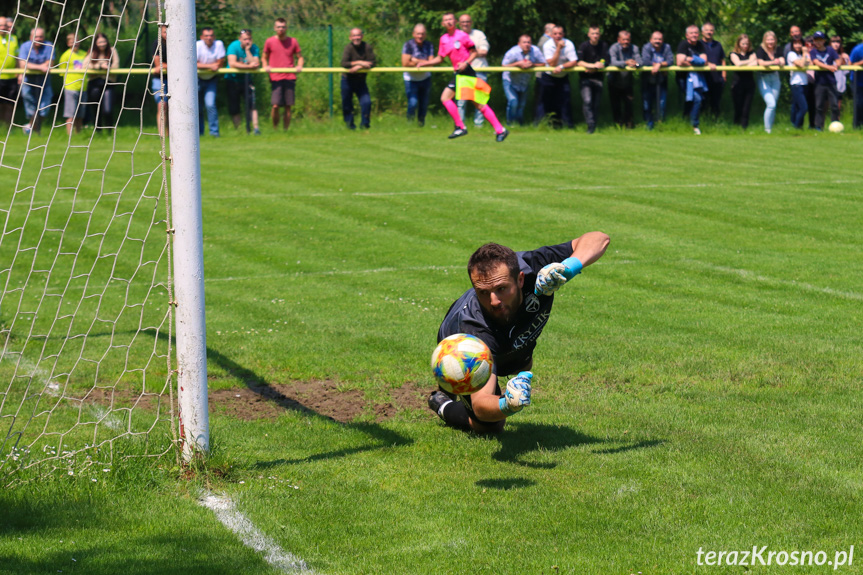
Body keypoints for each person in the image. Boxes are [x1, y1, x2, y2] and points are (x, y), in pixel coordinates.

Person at [428, 234, 611, 433]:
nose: (494, 301)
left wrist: (569, 268)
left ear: (520, 279)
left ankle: (453, 385)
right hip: (458, 347)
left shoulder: (534, 267)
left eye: (501, 288)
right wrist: (507, 404)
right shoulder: (474, 335)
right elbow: (482, 406)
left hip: (513, 342)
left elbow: (599, 239)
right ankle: (442, 401)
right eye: (482, 292)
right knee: (489, 425)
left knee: (522, 365)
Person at [416, 12, 508, 142]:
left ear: (455, 22)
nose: (449, 22)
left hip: (466, 72)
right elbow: (440, 58)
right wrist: (426, 63)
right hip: (459, 74)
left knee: (447, 98)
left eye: (451, 19)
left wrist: (466, 63)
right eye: (446, 20)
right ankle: (500, 130)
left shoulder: (462, 36)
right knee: (479, 104)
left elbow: (474, 52)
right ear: (443, 24)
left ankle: (461, 126)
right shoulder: (444, 39)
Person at [262, 18, 303, 131]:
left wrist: (299, 66)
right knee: (275, 105)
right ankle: (275, 128)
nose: (281, 29)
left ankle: (285, 130)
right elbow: (264, 57)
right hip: (276, 77)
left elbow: (300, 57)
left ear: (286, 28)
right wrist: (266, 66)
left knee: (288, 106)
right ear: (275, 28)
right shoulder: (269, 41)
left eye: (283, 27)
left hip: (290, 77)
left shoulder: (293, 41)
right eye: (279, 27)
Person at [500, 34, 546, 125]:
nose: (527, 44)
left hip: (524, 82)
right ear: (519, 44)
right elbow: (503, 65)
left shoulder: (535, 50)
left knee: (521, 105)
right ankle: (510, 124)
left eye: (529, 42)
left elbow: (543, 63)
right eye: (524, 42)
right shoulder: (513, 52)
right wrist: (518, 64)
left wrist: (532, 64)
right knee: (513, 102)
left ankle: (519, 124)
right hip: (510, 80)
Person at [676, 25, 712, 135]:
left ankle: (692, 124)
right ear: (687, 35)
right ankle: (691, 124)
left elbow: (704, 61)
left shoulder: (700, 45)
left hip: (698, 78)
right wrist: (696, 60)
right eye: (692, 33)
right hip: (684, 77)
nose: (694, 35)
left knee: (697, 99)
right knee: (694, 99)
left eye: (696, 33)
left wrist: (690, 59)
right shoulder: (683, 44)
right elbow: (679, 62)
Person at [18, 27, 54, 135]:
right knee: (29, 100)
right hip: (28, 79)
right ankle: (33, 128)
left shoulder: (49, 46)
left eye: (41, 36)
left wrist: (34, 66)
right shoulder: (25, 46)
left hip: (44, 81)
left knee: (44, 107)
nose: (38, 39)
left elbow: (50, 63)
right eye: (36, 37)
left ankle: (29, 126)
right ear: (31, 37)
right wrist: (40, 67)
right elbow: (23, 64)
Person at [540, 25, 578, 129]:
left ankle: (568, 126)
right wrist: (558, 48)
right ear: (551, 35)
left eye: (560, 34)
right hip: (549, 77)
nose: (558, 36)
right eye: (555, 34)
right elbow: (552, 64)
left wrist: (561, 66)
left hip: (563, 76)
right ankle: (549, 125)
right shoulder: (547, 45)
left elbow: (574, 61)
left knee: (565, 101)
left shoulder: (569, 43)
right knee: (547, 102)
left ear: (563, 35)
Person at [456, 14, 490, 128]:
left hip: (479, 70)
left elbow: (484, 51)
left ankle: (479, 125)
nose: (465, 24)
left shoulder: (478, 35)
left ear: (471, 22)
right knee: (461, 102)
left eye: (467, 21)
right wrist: (475, 52)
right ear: (459, 23)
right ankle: (461, 126)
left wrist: (466, 53)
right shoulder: (456, 36)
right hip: (463, 73)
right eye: (463, 22)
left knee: (480, 100)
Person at [225, 29, 261, 134]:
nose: (247, 41)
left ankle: (255, 129)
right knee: (234, 106)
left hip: (247, 79)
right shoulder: (233, 46)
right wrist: (248, 66)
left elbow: (256, 64)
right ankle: (239, 130)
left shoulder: (253, 48)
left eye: (249, 39)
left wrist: (247, 51)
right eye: (245, 39)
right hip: (233, 79)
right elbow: (232, 63)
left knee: (252, 104)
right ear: (240, 39)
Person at [340, 27, 375, 130]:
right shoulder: (348, 48)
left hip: (360, 81)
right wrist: (360, 62)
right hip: (347, 80)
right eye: (354, 36)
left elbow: (372, 62)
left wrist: (359, 67)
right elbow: (344, 63)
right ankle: (350, 126)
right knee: (347, 105)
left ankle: (365, 126)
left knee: (366, 102)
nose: (356, 38)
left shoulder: (367, 47)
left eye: (358, 35)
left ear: (362, 36)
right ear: (350, 37)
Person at [607, 30, 642, 128]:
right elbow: (613, 62)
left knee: (629, 104)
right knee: (616, 105)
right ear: (619, 40)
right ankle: (618, 125)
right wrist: (626, 63)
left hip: (627, 82)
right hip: (614, 81)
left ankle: (629, 125)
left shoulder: (634, 48)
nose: (626, 42)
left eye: (628, 39)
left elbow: (640, 61)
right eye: (623, 40)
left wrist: (636, 64)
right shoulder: (613, 48)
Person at [401, 24, 434, 126]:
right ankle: (409, 124)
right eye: (418, 34)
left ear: (426, 35)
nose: (420, 36)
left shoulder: (429, 45)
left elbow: (431, 63)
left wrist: (416, 60)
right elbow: (405, 63)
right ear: (413, 34)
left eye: (422, 34)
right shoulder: (408, 45)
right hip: (410, 79)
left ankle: (421, 124)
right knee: (413, 103)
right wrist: (424, 62)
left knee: (423, 104)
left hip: (425, 78)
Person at [83, 33, 118, 129]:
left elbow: (115, 66)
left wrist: (106, 68)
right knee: (95, 109)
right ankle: (98, 130)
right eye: (100, 42)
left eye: (104, 41)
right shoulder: (91, 52)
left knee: (108, 110)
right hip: (94, 84)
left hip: (108, 83)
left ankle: (109, 130)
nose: (102, 44)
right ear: (96, 43)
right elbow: (85, 66)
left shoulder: (112, 51)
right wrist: (100, 66)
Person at [577, 26, 608, 134]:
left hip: (598, 79)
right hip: (585, 79)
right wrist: (591, 66)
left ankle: (593, 125)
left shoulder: (603, 45)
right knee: (587, 101)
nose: (595, 36)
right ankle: (590, 125)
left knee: (596, 104)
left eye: (597, 33)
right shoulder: (584, 46)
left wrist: (599, 65)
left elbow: (606, 60)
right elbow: (579, 62)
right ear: (588, 35)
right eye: (593, 33)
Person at [196, 27, 225, 137]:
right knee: (197, 107)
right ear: (201, 37)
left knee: (210, 104)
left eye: (211, 35)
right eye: (206, 36)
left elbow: (220, 63)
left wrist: (204, 65)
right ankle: (199, 132)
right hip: (197, 78)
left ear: (214, 37)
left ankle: (214, 133)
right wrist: (210, 66)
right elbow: (194, 63)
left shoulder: (219, 44)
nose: (209, 38)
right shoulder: (197, 45)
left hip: (212, 79)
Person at [641, 30, 673, 130]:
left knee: (661, 105)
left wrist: (659, 65)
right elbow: (645, 61)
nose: (657, 41)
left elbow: (671, 60)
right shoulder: (646, 47)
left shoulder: (667, 47)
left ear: (662, 40)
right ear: (651, 40)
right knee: (647, 105)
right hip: (647, 81)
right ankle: (648, 125)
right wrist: (660, 64)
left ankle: (660, 125)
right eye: (655, 39)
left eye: (659, 39)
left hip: (661, 81)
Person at [809, 31, 840, 131]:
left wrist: (837, 65)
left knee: (834, 105)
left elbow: (838, 59)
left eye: (820, 40)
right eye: (816, 40)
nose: (818, 42)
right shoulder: (813, 51)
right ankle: (819, 126)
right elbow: (816, 62)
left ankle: (835, 126)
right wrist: (829, 67)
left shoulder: (830, 50)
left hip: (831, 81)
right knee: (819, 106)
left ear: (824, 41)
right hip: (819, 82)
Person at [58, 33, 87, 135]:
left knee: (80, 115)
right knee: (71, 114)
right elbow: (61, 72)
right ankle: (69, 136)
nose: (75, 44)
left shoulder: (84, 54)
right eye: (72, 42)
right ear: (68, 43)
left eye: (77, 41)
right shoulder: (65, 56)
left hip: (83, 87)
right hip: (71, 87)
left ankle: (78, 134)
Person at [755, 31, 783, 134]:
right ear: (764, 40)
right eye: (768, 39)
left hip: (775, 77)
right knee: (771, 104)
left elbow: (782, 61)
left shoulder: (778, 49)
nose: (770, 42)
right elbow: (761, 62)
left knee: (773, 105)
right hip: (763, 77)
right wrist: (773, 62)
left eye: (772, 39)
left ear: (775, 40)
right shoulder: (761, 50)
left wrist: (779, 61)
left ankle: (770, 128)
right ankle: (767, 130)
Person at [729, 34, 756, 129]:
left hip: (749, 84)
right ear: (738, 43)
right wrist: (749, 62)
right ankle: (736, 127)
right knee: (738, 107)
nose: (745, 46)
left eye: (747, 44)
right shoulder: (733, 54)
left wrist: (744, 64)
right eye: (743, 43)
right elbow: (738, 63)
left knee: (746, 108)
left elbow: (755, 63)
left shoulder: (752, 53)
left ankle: (744, 128)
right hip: (737, 84)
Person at [700, 22, 725, 119]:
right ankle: (703, 121)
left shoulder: (718, 44)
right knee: (703, 101)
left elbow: (722, 60)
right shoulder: (698, 44)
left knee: (716, 102)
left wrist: (724, 75)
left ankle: (715, 121)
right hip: (703, 78)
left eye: (711, 30)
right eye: (707, 30)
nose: (709, 32)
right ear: (702, 32)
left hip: (717, 78)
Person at [533, 23, 555, 124]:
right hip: (542, 74)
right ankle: (539, 122)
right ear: (548, 31)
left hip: (545, 74)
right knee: (541, 100)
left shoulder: (545, 40)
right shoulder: (545, 42)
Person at [786, 37, 810, 129]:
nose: (798, 45)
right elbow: (801, 64)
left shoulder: (802, 55)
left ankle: (798, 127)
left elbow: (808, 63)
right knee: (804, 108)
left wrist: (804, 57)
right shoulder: (791, 54)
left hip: (804, 83)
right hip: (796, 84)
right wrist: (804, 54)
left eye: (800, 43)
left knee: (796, 107)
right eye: (795, 43)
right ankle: (796, 126)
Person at [0, 16, 20, 126]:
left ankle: (7, 128)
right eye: (1, 25)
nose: (3, 27)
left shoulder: (13, 38)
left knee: (10, 104)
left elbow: (17, 58)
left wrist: (19, 73)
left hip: (12, 77)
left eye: (5, 25)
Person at [150, 24, 169, 136]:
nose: (166, 34)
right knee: (162, 105)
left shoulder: (178, 44)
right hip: (160, 79)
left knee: (173, 107)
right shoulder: (157, 44)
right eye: (164, 32)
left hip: (175, 80)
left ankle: (170, 133)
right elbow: (159, 64)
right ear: (160, 34)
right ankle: (162, 134)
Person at [831, 36, 850, 112]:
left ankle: (837, 123)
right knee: (824, 107)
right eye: (833, 41)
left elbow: (847, 72)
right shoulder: (826, 54)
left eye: (838, 42)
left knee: (837, 109)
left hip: (839, 85)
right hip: (829, 84)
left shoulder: (844, 56)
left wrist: (846, 59)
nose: (836, 44)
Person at [850, 39, 863, 128]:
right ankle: (856, 126)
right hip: (857, 82)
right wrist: (861, 63)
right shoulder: (857, 49)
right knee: (859, 104)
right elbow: (850, 65)